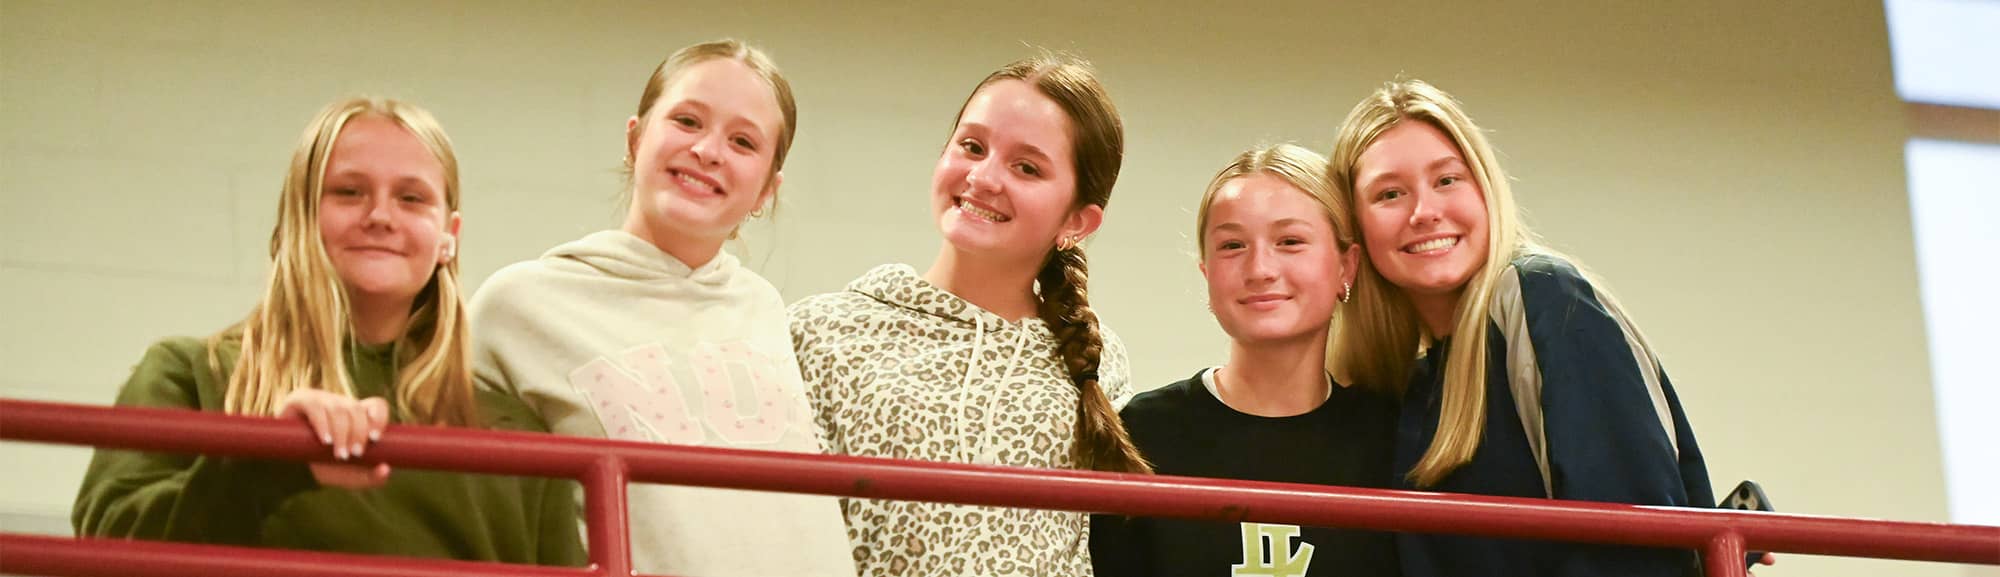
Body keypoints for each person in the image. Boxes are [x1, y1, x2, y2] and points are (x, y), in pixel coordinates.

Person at [73, 97, 584, 566]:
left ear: (448, 238)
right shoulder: (190, 373)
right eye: (348, 192)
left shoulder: (518, 436)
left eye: (411, 198)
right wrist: (267, 462)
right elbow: (106, 549)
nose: (380, 216)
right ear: (300, 216)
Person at [468, 39, 854, 577]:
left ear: (767, 189)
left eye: (743, 141)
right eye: (688, 121)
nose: (708, 150)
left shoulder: (762, 306)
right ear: (635, 138)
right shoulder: (518, 304)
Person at [1327, 78, 1714, 576]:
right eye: (1390, 194)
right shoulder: (1413, 382)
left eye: (1447, 180)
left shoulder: (1544, 296)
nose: (1425, 213)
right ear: (1356, 228)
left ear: (1486, 189)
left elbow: (1632, 547)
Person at [788, 53, 1145, 577]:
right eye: (972, 146)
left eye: (1027, 167)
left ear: (1077, 220)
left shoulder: (1100, 361)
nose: (983, 177)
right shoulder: (816, 330)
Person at [1090, 143, 1400, 577]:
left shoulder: (1393, 439)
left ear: (1346, 267)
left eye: (1290, 241)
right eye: (1233, 245)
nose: (1260, 269)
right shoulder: (1141, 432)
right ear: (1207, 274)